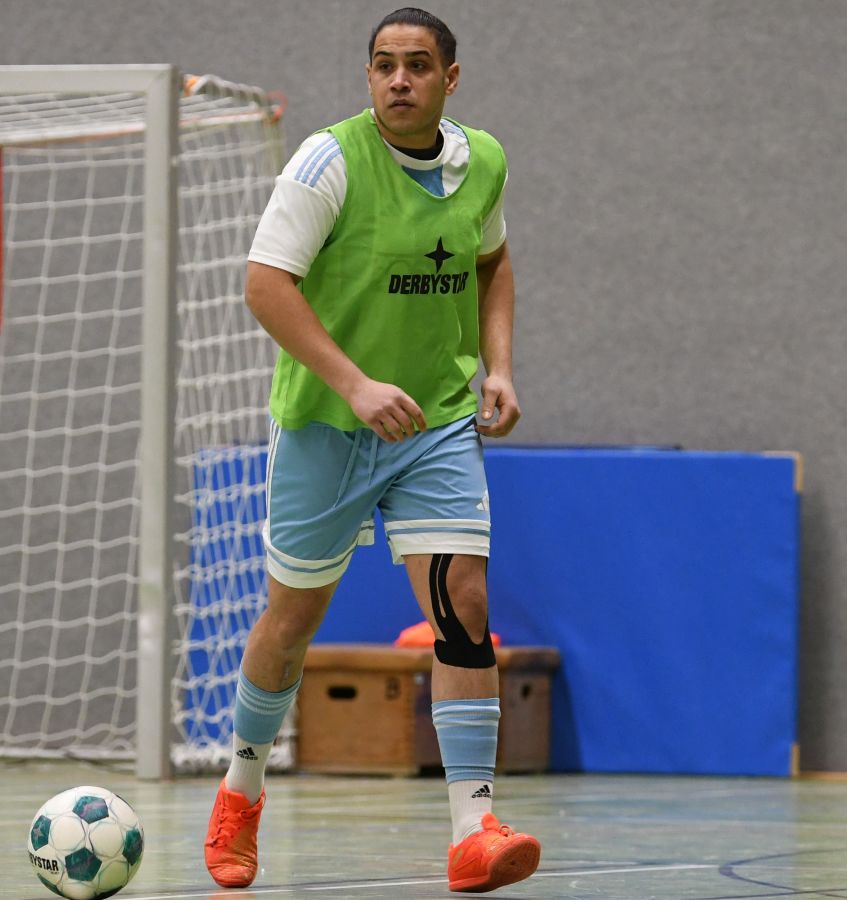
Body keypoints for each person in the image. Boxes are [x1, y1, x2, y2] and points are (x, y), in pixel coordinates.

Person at [202, 7, 540, 894]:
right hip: (327, 424)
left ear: (449, 79)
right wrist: (354, 384)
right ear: (368, 76)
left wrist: (500, 366)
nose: (399, 80)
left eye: (418, 65)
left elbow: (492, 262)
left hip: (433, 422)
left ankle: (473, 829)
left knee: (464, 602)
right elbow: (265, 285)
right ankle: (240, 792)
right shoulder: (327, 162)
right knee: (291, 623)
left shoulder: (483, 161)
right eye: (384, 64)